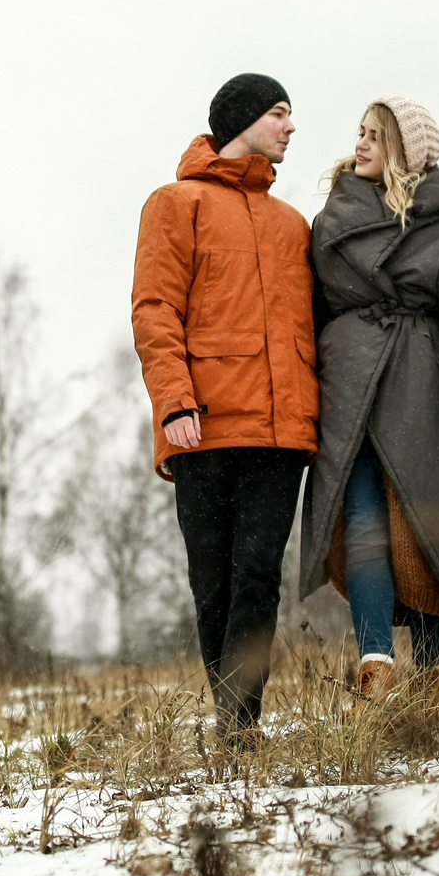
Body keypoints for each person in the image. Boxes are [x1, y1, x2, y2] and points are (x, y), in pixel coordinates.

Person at [298, 98, 439, 709]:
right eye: (361, 132)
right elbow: (306, 314)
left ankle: (427, 680)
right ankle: (376, 663)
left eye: (378, 136)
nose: (363, 143)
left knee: (427, 530)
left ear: (405, 152)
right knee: (364, 519)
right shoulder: (331, 220)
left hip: (425, 390)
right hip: (352, 394)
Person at [131, 73, 320, 744]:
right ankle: (230, 716)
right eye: (278, 114)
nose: (290, 127)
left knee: (259, 577)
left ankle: (239, 722)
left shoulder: (294, 224)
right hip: (201, 426)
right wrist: (173, 403)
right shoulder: (173, 205)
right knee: (211, 581)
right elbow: (155, 311)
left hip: (280, 431)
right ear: (241, 120)